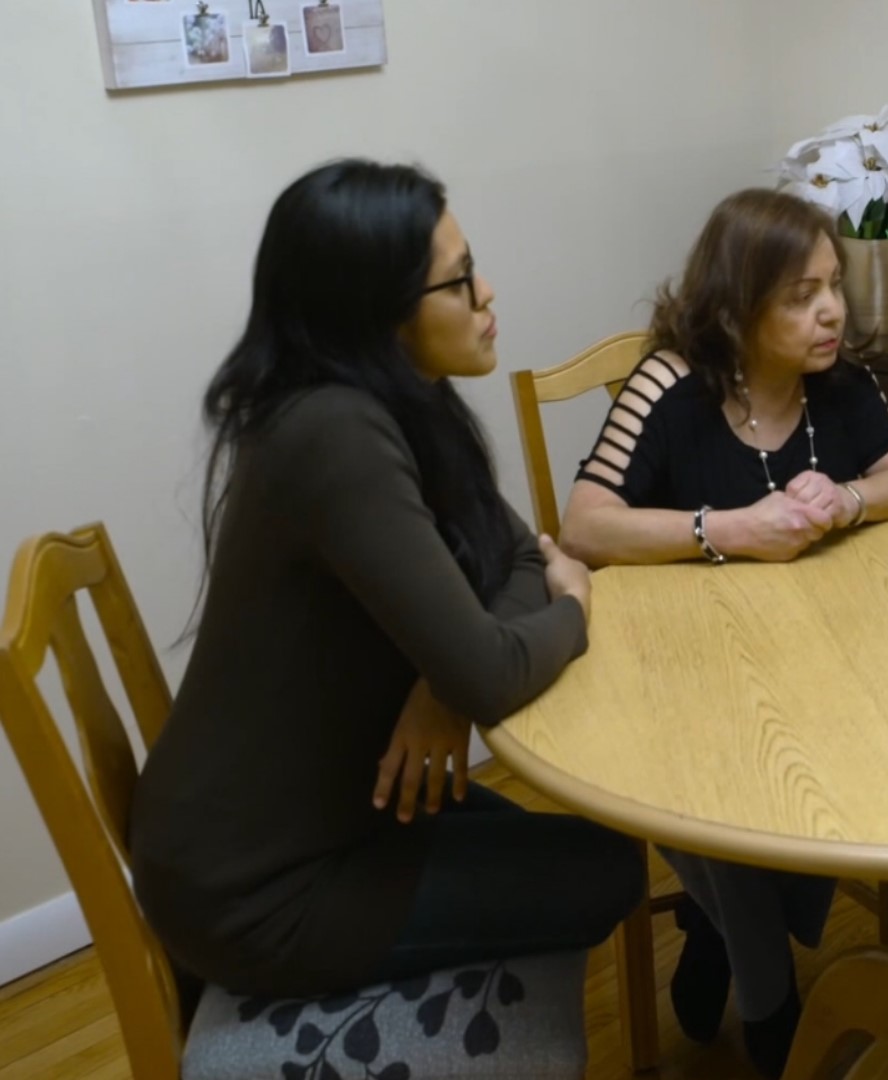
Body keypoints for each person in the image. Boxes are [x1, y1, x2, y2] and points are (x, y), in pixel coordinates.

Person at [130, 160, 647, 1002]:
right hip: (259, 889)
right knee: (607, 873)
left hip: (335, 814)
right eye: (459, 281)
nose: (488, 294)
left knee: (596, 852)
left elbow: (513, 558)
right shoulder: (333, 435)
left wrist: (440, 683)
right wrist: (575, 606)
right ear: (378, 315)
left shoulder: (403, 399)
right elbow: (500, 652)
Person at [559, 187, 888, 1077]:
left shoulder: (837, 380)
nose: (832, 312)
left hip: (814, 660)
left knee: (837, 747)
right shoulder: (671, 380)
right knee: (720, 773)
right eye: (802, 295)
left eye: (833, 285)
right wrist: (723, 529)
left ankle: (716, 927)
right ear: (736, 307)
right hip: (679, 670)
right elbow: (584, 524)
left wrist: (847, 499)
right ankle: (772, 1004)